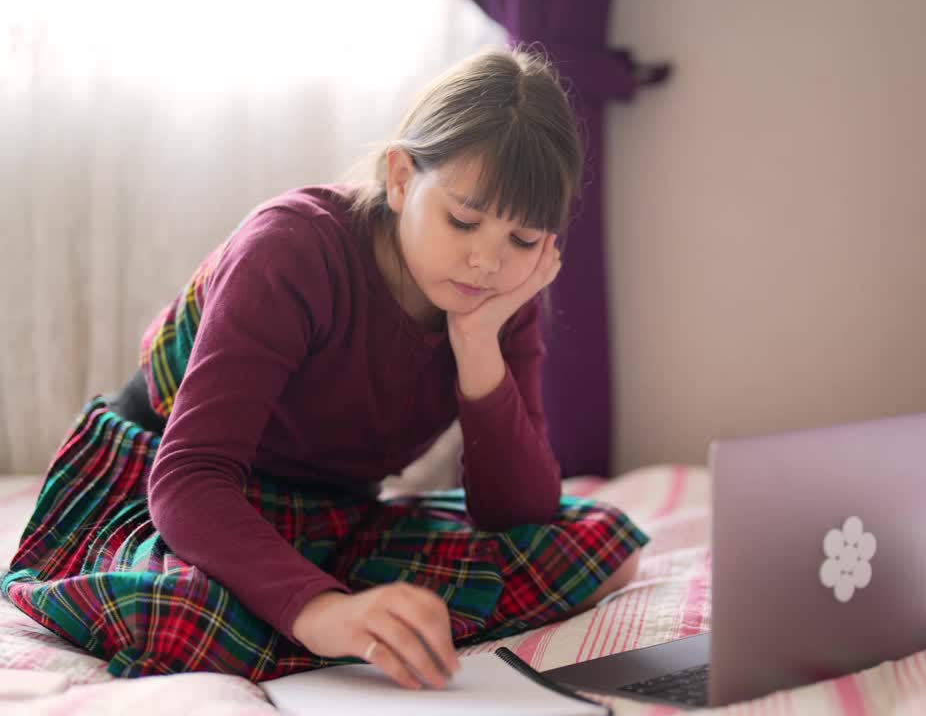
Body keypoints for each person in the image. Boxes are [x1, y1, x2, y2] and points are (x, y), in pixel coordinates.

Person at [2, 47, 647, 690]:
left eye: (524, 240)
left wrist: (477, 343)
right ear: (400, 179)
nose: (488, 262)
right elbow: (189, 479)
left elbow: (519, 511)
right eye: (463, 221)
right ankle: (311, 613)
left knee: (603, 549)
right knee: (174, 615)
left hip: (332, 513)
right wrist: (322, 610)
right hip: (169, 487)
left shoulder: (501, 297)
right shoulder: (291, 249)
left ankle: (315, 611)